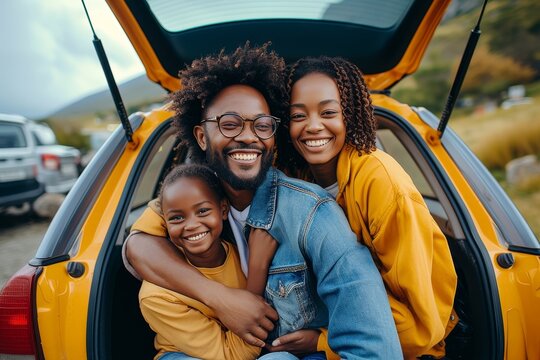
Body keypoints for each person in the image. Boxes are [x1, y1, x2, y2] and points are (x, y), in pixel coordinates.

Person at [124, 43, 402, 359]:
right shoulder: (188, 201)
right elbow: (137, 246)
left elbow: (374, 348)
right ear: (202, 137)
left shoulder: (311, 213)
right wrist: (221, 298)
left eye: (262, 125)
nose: (248, 136)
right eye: (229, 124)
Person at [273, 56, 458, 359]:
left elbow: (423, 325)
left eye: (329, 112)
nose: (313, 126)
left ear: (350, 114)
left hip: (402, 347)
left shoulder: (382, 183)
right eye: (298, 116)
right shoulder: (295, 179)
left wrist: (322, 341)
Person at [139, 164, 261, 360]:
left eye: (203, 211)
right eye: (177, 218)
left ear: (223, 210)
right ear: (164, 222)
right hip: (180, 354)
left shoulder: (243, 255)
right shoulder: (156, 295)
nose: (192, 225)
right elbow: (228, 352)